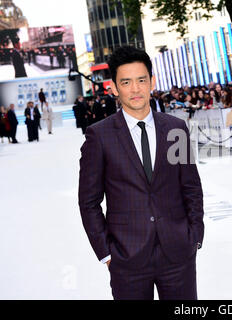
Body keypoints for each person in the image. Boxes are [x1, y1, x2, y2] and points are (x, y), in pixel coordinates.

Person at [78, 46, 204, 300]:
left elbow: (191, 186)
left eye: (141, 80)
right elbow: (89, 201)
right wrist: (106, 252)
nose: (135, 89)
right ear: (113, 87)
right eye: (126, 82)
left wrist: (195, 236)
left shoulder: (175, 128)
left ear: (152, 82)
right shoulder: (99, 136)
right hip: (127, 259)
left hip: (178, 254)